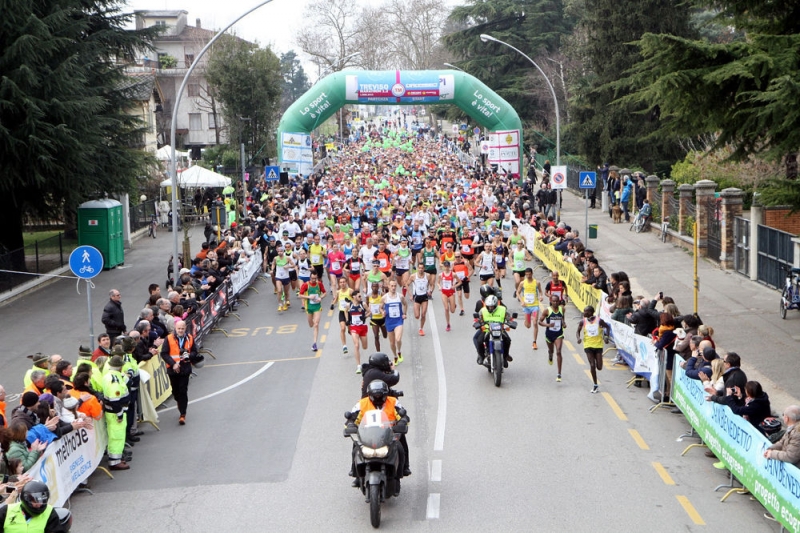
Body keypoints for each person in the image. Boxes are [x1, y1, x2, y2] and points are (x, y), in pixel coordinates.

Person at [346, 380, 409, 490]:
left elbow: (403, 415)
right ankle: (356, 473)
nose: (378, 398)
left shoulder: (393, 402)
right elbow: (351, 418)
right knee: (356, 447)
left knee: (400, 447)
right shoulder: (362, 403)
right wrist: (351, 425)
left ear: (386, 394)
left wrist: (402, 422)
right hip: (368, 434)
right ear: (370, 395)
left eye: (381, 395)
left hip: (389, 434)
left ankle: (401, 471)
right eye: (375, 395)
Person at [160, 320, 199, 426]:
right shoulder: (168, 338)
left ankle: (183, 414)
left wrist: (189, 356)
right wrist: (173, 364)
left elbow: (195, 351)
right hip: (173, 369)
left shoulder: (190, 338)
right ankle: (179, 402)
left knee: (183, 391)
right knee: (175, 391)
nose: (181, 330)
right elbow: (164, 353)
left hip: (185, 369)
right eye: (179, 328)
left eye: (182, 328)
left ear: (185, 328)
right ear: (175, 329)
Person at [0, 480, 65, 532]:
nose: (39, 505)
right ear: (26, 499)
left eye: (42, 501)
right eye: (35, 501)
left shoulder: (50, 512)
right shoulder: (6, 511)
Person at [101, 355, 130, 470]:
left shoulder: (108, 375)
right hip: (115, 413)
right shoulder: (114, 379)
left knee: (115, 435)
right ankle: (115, 461)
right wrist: (119, 414)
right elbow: (115, 399)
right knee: (117, 436)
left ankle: (116, 458)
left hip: (112, 412)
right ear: (120, 367)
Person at [576, 306, 610, 392]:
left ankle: (597, 366)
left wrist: (606, 336)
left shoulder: (599, 320)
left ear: (591, 312)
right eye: (584, 311)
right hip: (588, 345)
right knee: (592, 365)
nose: (584, 313)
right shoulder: (583, 321)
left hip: (598, 345)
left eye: (586, 312)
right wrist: (578, 338)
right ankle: (595, 384)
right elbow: (577, 331)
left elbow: (607, 327)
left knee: (599, 367)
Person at [476, 294, 513, 367]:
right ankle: (482, 356)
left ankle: (505, 356)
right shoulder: (482, 311)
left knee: (508, 340)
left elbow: (509, 318)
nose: (490, 308)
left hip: (500, 330)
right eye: (489, 306)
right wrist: (478, 323)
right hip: (487, 330)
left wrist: (511, 323)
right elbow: (479, 320)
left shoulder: (503, 309)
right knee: (479, 341)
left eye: (492, 306)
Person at [298, 272, 327, 352]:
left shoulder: (319, 284)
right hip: (309, 308)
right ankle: (313, 323)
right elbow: (300, 295)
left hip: (317, 307)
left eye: (315, 278)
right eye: (312, 278)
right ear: (309, 278)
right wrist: (308, 297)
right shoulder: (306, 285)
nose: (314, 280)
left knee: (316, 324)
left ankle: (314, 343)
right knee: (311, 325)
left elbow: (325, 293)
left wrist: (321, 297)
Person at [516, 268, 543, 350]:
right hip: (527, 307)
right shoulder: (522, 283)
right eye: (526, 274)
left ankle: (534, 342)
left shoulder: (537, 283)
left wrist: (541, 296)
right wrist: (521, 301)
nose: (528, 276)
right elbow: (517, 292)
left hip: (535, 306)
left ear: (532, 273)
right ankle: (526, 321)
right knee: (528, 326)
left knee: (535, 323)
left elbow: (541, 291)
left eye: (529, 274)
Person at [382, 280, 407, 365]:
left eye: (395, 286)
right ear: (388, 286)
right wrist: (382, 312)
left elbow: (405, 304)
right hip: (389, 321)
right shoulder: (385, 297)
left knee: (398, 339)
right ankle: (395, 356)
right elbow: (380, 307)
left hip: (398, 320)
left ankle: (399, 351)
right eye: (392, 286)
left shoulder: (400, 296)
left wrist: (404, 314)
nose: (393, 287)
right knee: (392, 343)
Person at [539, 295, 566, 371]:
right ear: (551, 301)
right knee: (552, 351)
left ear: (559, 301)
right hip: (549, 334)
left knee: (558, 351)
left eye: (557, 301)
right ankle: (550, 355)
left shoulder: (562, 309)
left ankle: (559, 373)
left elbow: (562, 318)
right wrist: (548, 325)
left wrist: (563, 323)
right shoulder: (547, 310)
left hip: (559, 334)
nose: (555, 303)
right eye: (553, 301)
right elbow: (540, 322)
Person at [346, 291, 369, 374]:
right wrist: (347, 320)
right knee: (356, 345)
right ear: (354, 297)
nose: (361, 297)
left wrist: (365, 316)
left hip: (362, 327)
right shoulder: (350, 305)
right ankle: (358, 366)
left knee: (365, 346)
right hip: (354, 327)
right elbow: (346, 310)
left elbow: (370, 311)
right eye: (359, 296)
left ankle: (359, 365)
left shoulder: (363, 304)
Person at [332, 277, 352, 355]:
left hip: (350, 312)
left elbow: (355, 299)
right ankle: (344, 346)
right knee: (342, 328)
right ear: (339, 284)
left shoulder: (350, 291)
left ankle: (349, 329)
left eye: (344, 282)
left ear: (346, 282)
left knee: (350, 330)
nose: (342, 283)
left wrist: (350, 301)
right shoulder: (338, 292)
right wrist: (332, 304)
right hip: (342, 312)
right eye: (341, 282)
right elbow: (336, 299)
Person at [437, 261, 457, 332]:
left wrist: (454, 286)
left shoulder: (453, 274)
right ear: (443, 267)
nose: (446, 268)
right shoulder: (441, 275)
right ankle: (448, 324)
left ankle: (453, 304)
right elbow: (438, 282)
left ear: (449, 266)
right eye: (445, 266)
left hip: (451, 292)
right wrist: (439, 287)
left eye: (447, 266)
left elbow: (459, 282)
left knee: (452, 311)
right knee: (446, 308)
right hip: (444, 292)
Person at [367, 282, 388, 352]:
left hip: (382, 318)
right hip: (374, 319)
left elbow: (387, 299)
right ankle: (378, 353)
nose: (375, 288)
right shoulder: (368, 296)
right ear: (371, 287)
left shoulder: (381, 294)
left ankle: (384, 332)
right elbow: (366, 306)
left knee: (385, 336)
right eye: (373, 286)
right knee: (376, 336)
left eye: (376, 287)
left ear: (378, 287)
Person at [411, 266, 430, 336]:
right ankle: (416, 309)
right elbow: (406, 284)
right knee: (417, 316)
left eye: (422, 268)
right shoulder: (413, 276)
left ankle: (421, 329)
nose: (421, 269)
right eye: (419, 268)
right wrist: (410, 294)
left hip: (424, 297)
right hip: (417, 296)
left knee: (423, 314)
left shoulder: (427, 276)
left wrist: (429, 290)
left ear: (424, 269)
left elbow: (431, 284)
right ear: (418, 268)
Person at [452, 251, 472, 316]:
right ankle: (462, 309)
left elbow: (471, 270)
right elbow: (451, 272)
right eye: (456, 257)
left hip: (465, 280)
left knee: (467, 297)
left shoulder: (465, 262)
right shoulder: (453, 264)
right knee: (459, 295)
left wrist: (467, 277)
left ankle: (465, 294)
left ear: (461, 256)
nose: (457, 258)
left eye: (458, 256)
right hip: (458, 281)